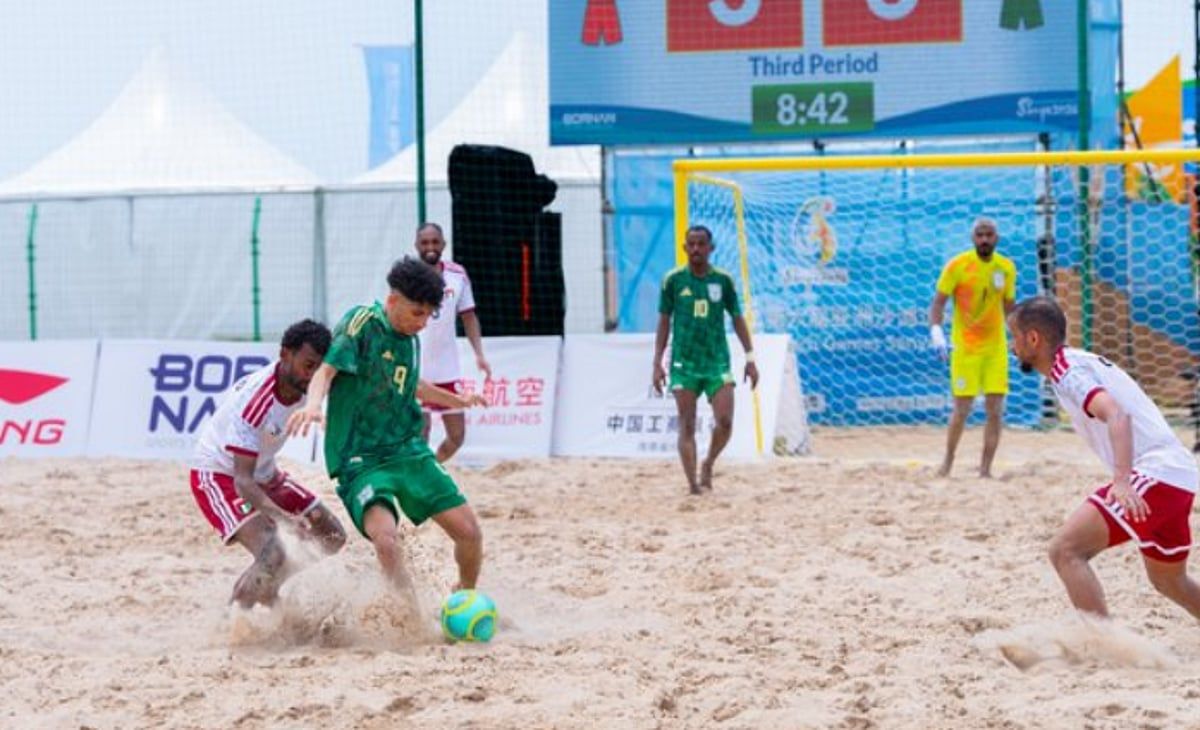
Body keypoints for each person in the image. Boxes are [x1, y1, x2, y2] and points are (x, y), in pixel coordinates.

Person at [287, 257, 488, 596]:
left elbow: (414, 385)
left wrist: (459, 401)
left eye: (429, 315)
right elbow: (326, 371)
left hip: (407, 449)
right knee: (386, 540)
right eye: (417, 313)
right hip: (360, 458)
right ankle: (409, 611)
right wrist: (312, 405)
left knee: (470, 534)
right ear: (393, 300)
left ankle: (465, 596)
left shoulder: (410, 339)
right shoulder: (362, 323)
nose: (422, 323)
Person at [1008, 296, 1200, 620]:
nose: (1011, 347)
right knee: (1168, 579)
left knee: (1065, 551)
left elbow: (1117, 415)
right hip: (1176, 474)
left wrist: (1122, 481)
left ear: (1033, 338)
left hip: (1156, 472)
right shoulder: (1075, 363)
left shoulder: (1068, 370)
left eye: (1013, 337)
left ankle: (1103, 643)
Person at [189, 319, 347, 608]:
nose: (312, 376)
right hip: (219, 474)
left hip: (264, 471)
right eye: (307, 365)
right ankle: (234, 618)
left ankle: (266, 587)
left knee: (331, 536)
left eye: (318, 369)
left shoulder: (311, 385)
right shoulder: (256, 402)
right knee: (274, 549)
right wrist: (284, 519)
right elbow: (243, 481)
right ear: (285, 354)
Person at [652, 225, 758, 495]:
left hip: (716, 362)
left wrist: (750, 358)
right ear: (684, 248)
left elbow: (737, 318)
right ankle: (693, 485)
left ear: (711, 248)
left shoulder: (723, 280)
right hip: (683, 364)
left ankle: (708, 462)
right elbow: (664, 321)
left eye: (701, 244)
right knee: (686, 424)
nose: (696, 249)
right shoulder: (673, 280)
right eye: (691, 244)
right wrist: (657, 363)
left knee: (725, 421)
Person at [929, 216, 1017, 478]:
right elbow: (938, 302)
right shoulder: (958, 265)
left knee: (995, 410)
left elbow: (1009, 307)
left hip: (995, 349)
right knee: (962, 409)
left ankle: (985, 470)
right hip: (966, 348)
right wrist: (936, 331)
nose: (984, 239)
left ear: (997, 238)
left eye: (989, 235)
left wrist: (1017, 337)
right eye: (980, 235)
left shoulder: (1006, 268)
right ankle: (947, 462)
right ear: (972, 238)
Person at [414, 222, 492, 462]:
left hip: (447, 367)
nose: (430, 247)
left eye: (435, 242)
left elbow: (468, 315)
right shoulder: (409, 276)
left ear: (444, 244)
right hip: (417, 367)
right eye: (425, 242)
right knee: (420, 434)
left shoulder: (457, 275)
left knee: (457, 436)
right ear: (416, 245)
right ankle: (423, 478)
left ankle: (434, 468)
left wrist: (479, 354)